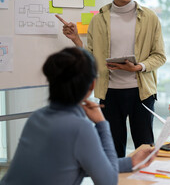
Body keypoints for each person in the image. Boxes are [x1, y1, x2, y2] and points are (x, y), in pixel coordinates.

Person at [56, 0, 166, 157]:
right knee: (112, 150)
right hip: (110, 94)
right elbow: (92, 58)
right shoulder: (99, 19)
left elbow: (159, 56)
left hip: (142, 94)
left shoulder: (150, 17)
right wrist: (75, 40)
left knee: (145, 149)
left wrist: (139, 67)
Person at [0, 47, 155, 185]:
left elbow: (73, 165)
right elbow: (108, 180)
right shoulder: (81, 128)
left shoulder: (37, 117)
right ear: (92, 85)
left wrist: (130, 162)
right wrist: (102, 123)